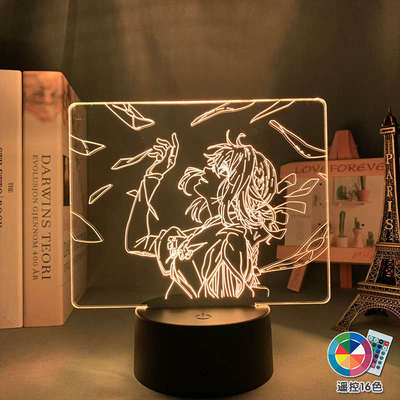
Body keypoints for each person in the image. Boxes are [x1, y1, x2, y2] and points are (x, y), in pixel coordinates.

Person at [125, 131, 299, 299]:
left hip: (205, 319)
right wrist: (153, 175)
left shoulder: (231, 240)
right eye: (211, 167)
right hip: (190, 317)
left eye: (220, 171)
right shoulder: (202, 235)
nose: (206, 171)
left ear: (236, 187)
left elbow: (227, 306)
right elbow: (137, 242)